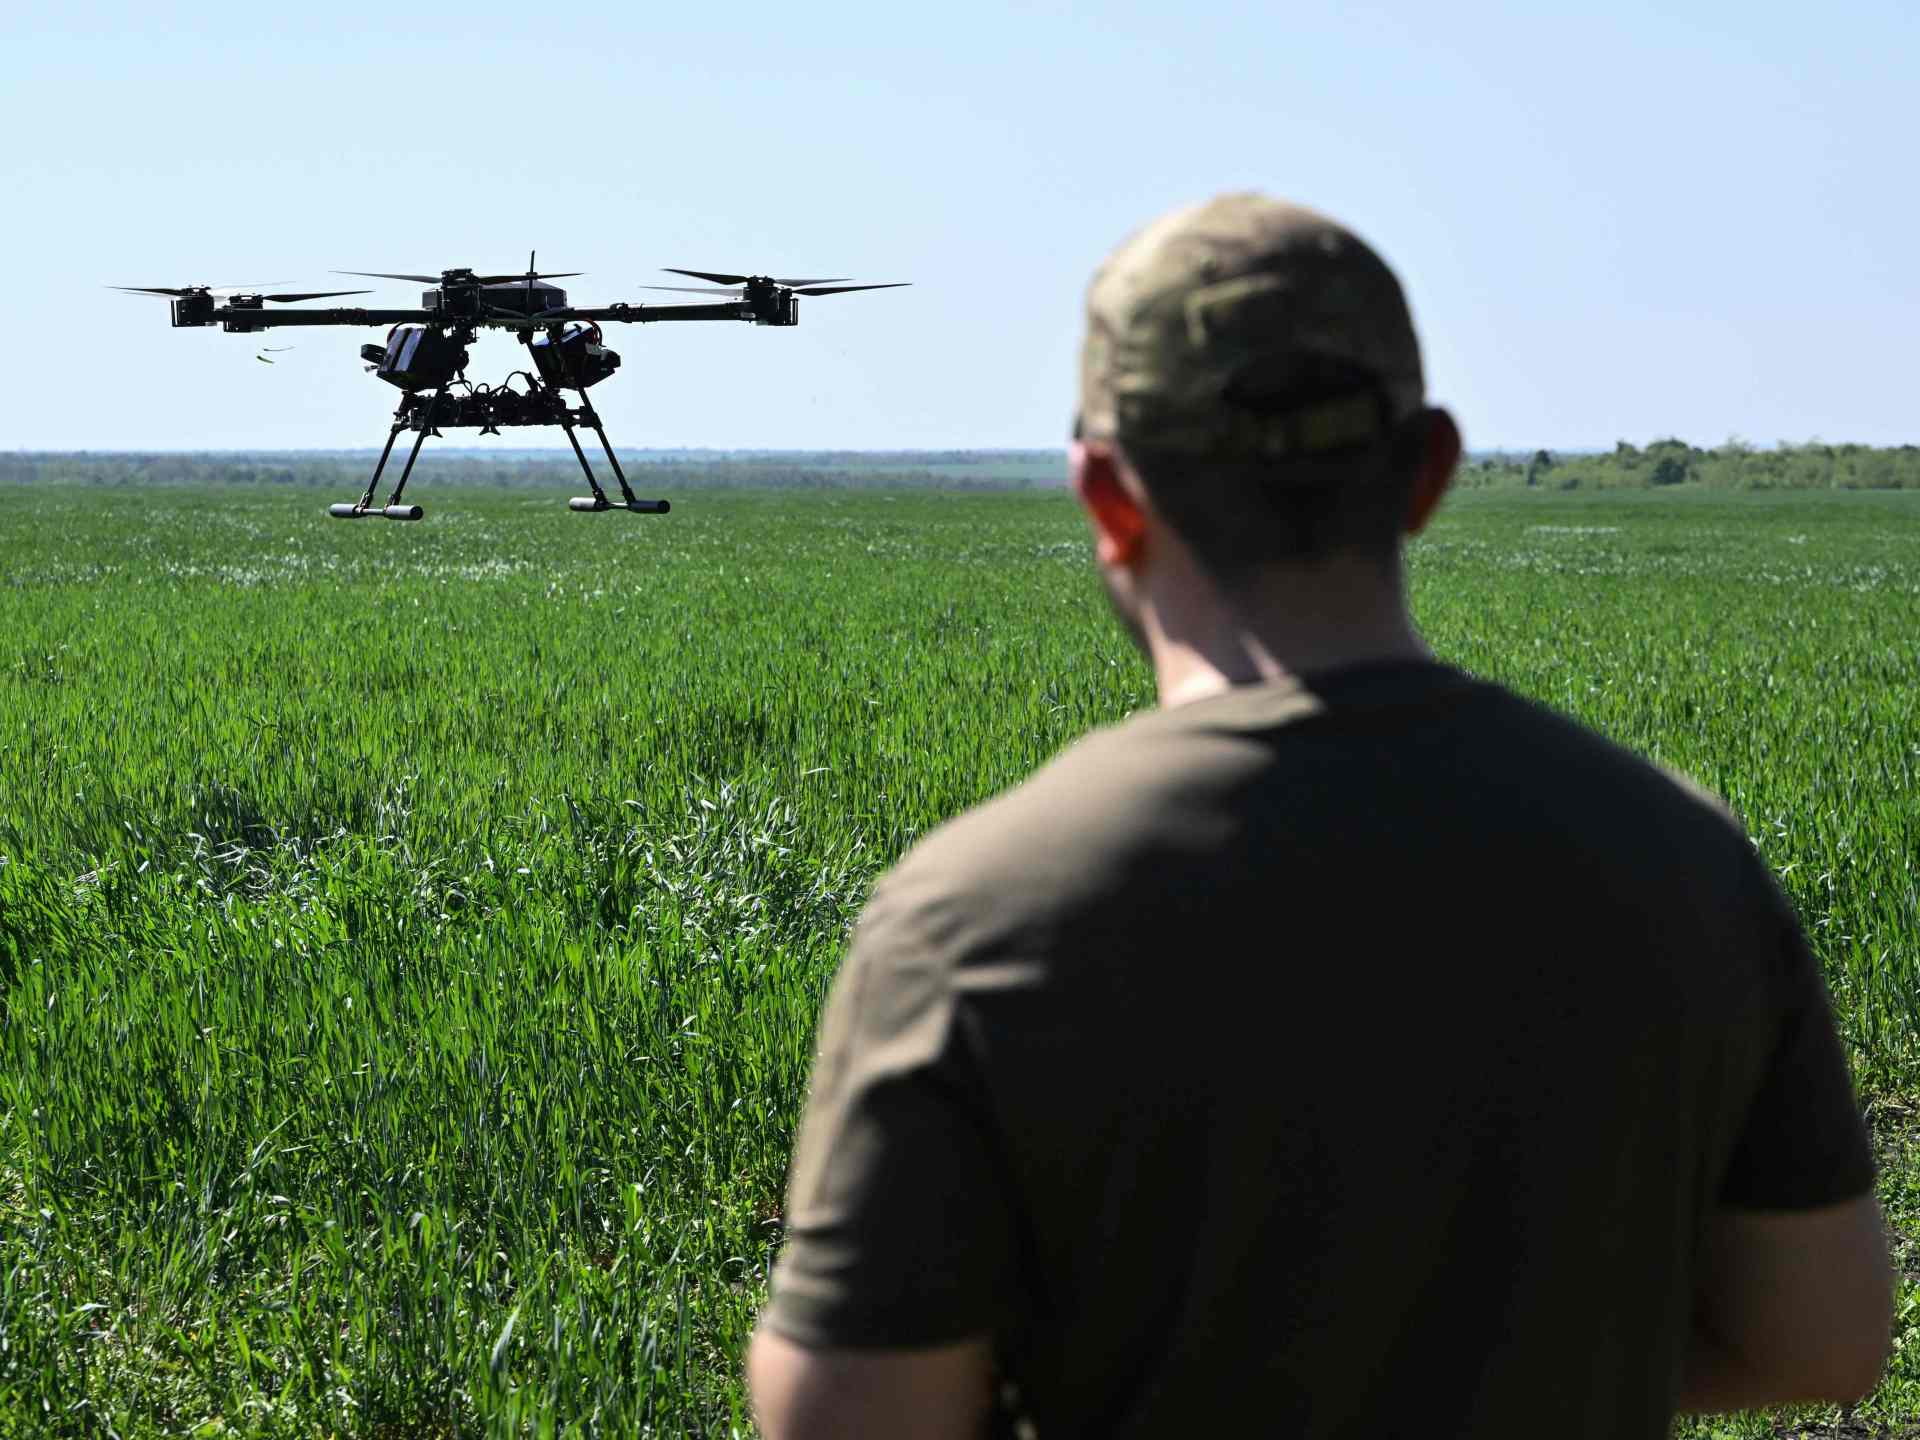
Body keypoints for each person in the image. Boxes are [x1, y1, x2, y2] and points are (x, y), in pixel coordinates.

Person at [747, 192, 1894, 1439]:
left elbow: (845, 1416)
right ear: (1428, 473)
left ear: (1108, 497)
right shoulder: (1685, 862)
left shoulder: (972, 917)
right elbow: (1824, 1338)